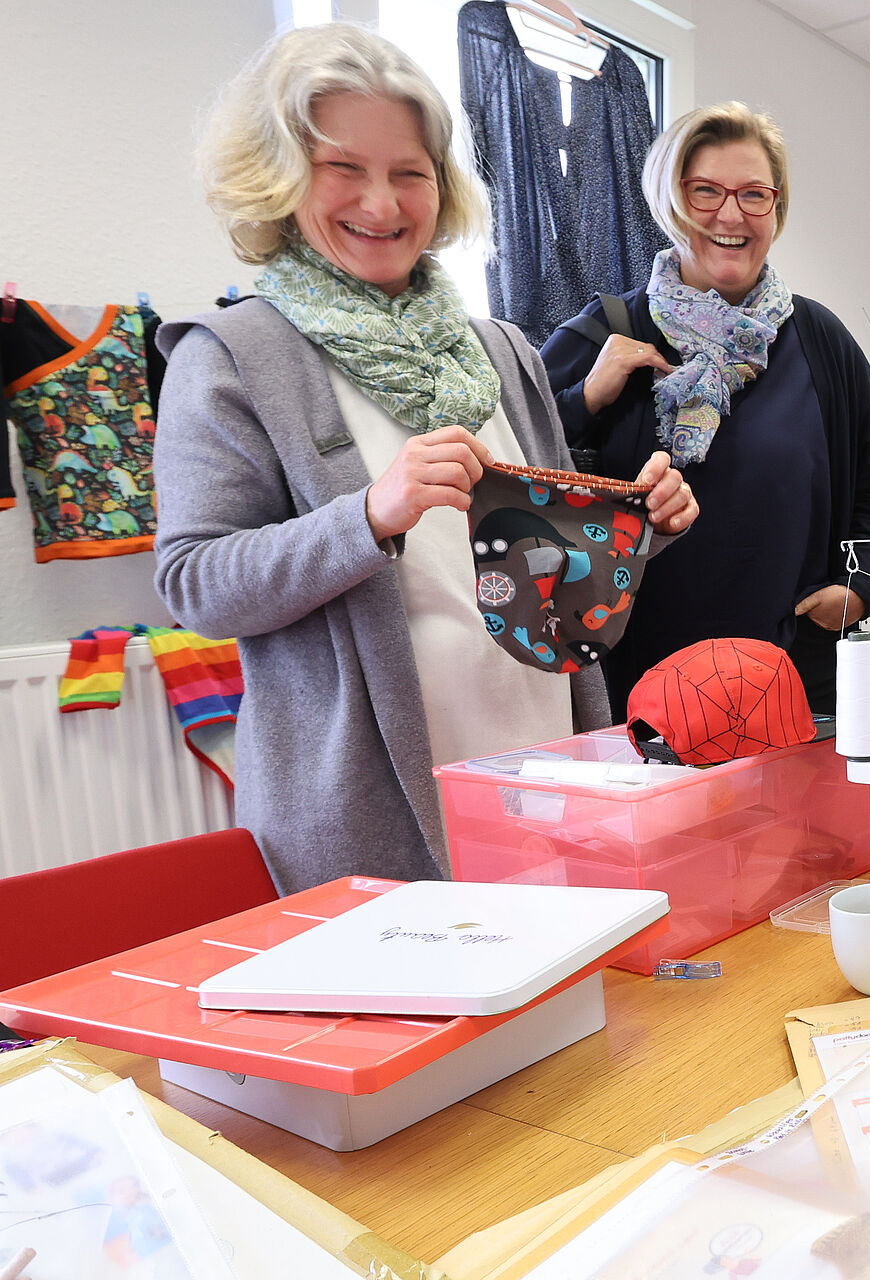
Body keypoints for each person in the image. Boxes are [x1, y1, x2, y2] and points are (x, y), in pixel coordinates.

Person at [152, 25, 695, 892]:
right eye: (343, 168)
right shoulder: (227, 357)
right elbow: (196, 583)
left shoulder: (501, 351)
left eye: (410, 171)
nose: (383, 201)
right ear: (281, 175)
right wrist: (369, 516)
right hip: (374, 816)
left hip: (541, 773)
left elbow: (545, 577)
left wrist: (637, 528)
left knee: (577, 1021)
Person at [540, 102, 870, 720]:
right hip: (642, 695)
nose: (730, 215)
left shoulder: (820, 340)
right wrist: (586, 400)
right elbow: (517, 493)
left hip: (795, 685)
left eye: (753, 195)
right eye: (705, 192)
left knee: (804, 824)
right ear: (670, 202)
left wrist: (860, 586)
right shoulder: (605, 335)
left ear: (776, 207)